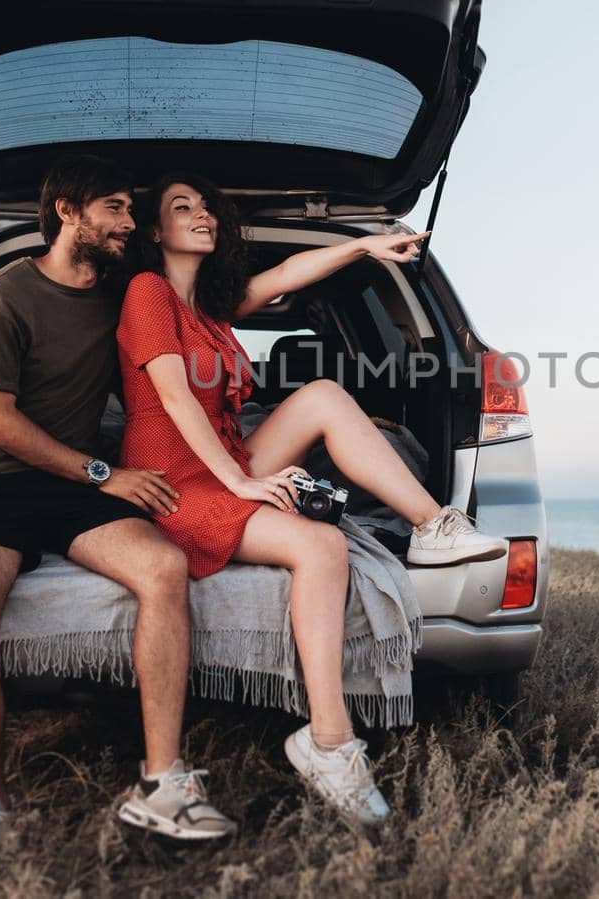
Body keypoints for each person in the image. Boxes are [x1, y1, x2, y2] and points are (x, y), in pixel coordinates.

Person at [115, 171, 510, 826]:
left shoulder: (210, 310)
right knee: (324, 543)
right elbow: (176, 397)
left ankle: (434, 525)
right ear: (155, 231)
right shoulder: (145, 290)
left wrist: (363, 248)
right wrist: (242, 483)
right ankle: (328, 741)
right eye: (182, 206)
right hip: (171, 483)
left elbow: (290, 274)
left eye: (208, 206)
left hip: (221, 464)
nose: (202, 214)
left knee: (323, 395)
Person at [0, 155, 236, 878]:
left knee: (163, 567)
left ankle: (161, 780)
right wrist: (106, 473)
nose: (130, 224)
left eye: (134, 211)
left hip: (71, 485)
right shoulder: (2, 294)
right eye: (117, 209)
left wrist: (355, 250)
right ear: (69, 211)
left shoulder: (124, 296)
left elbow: (217, 305)